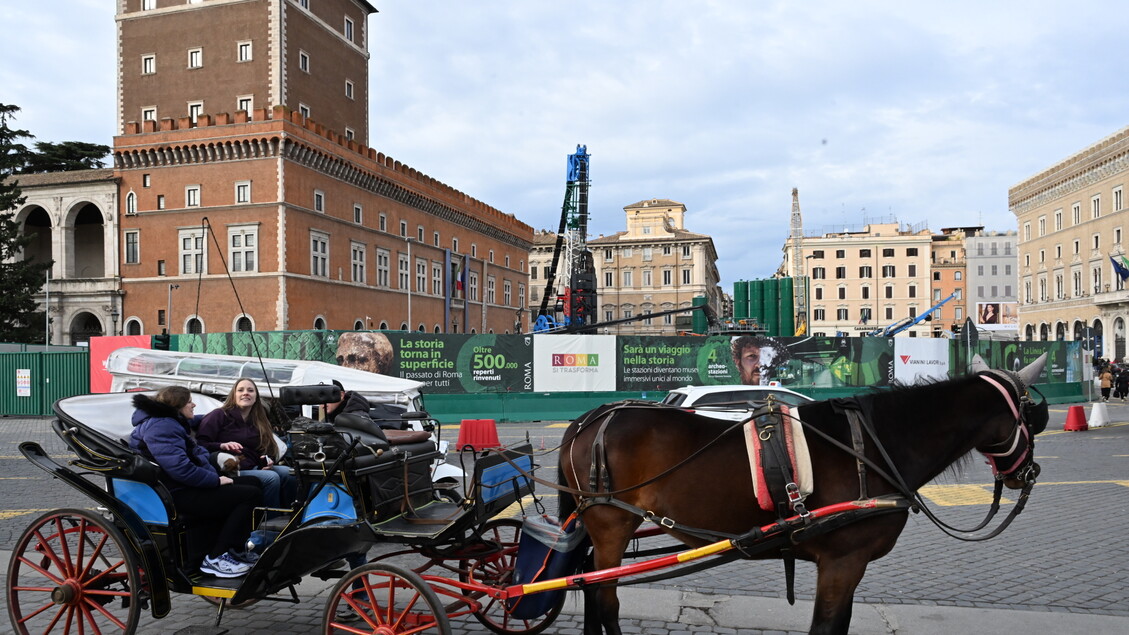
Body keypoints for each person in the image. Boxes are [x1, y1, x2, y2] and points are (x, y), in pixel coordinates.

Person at [130, 386, 262, 578]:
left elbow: (194, 430)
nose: (193, 404)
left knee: (254, 483)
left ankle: (231, 547)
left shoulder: (169, 421)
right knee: (251, 494)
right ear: (177, 405)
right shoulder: (162, 426)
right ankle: (218, 557)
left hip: (181, 486)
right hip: (175, 492)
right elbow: (179, 468)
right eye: (189, 401)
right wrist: (215, 480)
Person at [197, 378, 298, 509]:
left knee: (289, 473)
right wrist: (221, 445)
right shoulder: (219, 415)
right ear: (234, 395)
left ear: (256, 397)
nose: (246, 393)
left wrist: (268, 461)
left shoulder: (260, 421)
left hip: (255, 466)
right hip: (231, 469)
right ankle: (269, 521)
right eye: (240, 390)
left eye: (250, 390)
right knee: (271, 478)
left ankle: (290, 515)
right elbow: (200, 444)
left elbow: (269, 449)